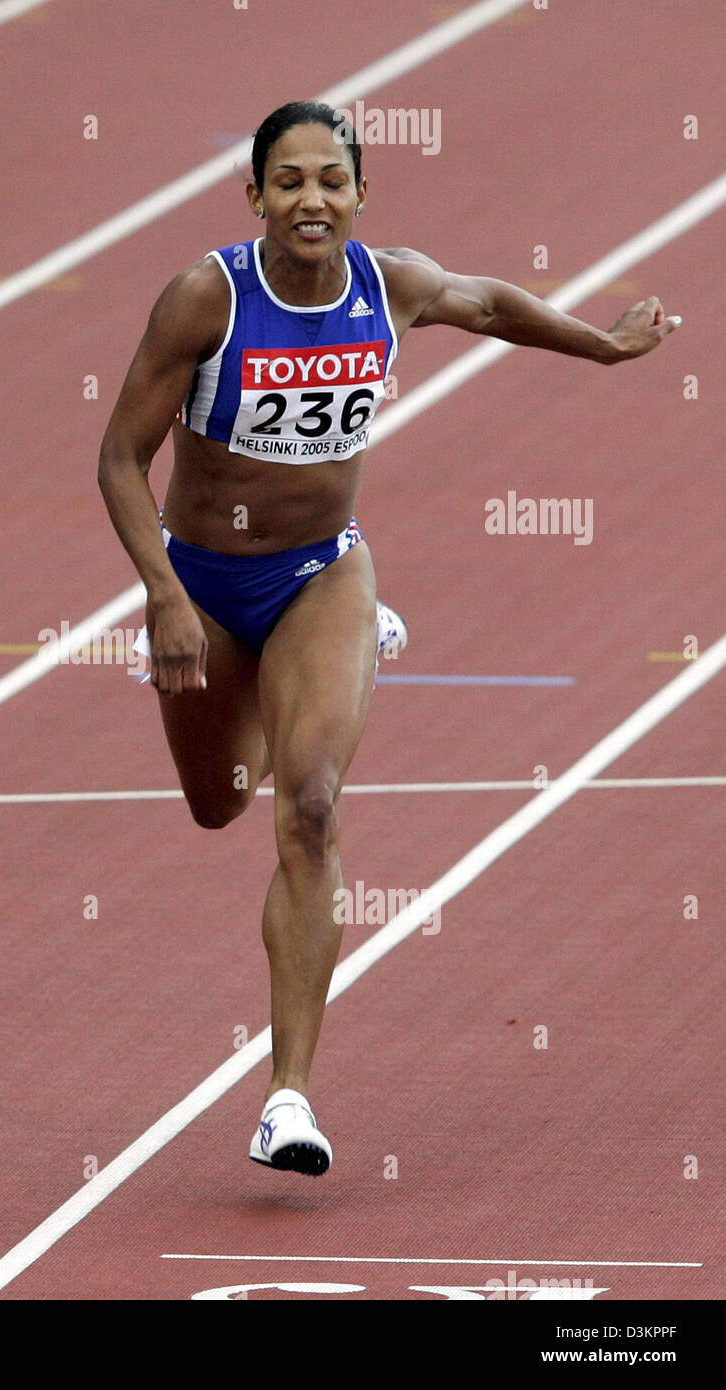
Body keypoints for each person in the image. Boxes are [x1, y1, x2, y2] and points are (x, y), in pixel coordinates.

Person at [98, 100, 678, 1176]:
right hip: (205, 586)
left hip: (319, 570)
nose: (310, 199)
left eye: (330, 179)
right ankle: (282, 682)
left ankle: (288, 1097)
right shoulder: (205, 299)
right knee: (217, 801)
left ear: (359, 193)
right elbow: (117, 460)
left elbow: (488, 302)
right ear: (254, 197)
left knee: (308, 808)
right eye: (287, 180)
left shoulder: (390, 283)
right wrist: (162, 597)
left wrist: (598, 345)